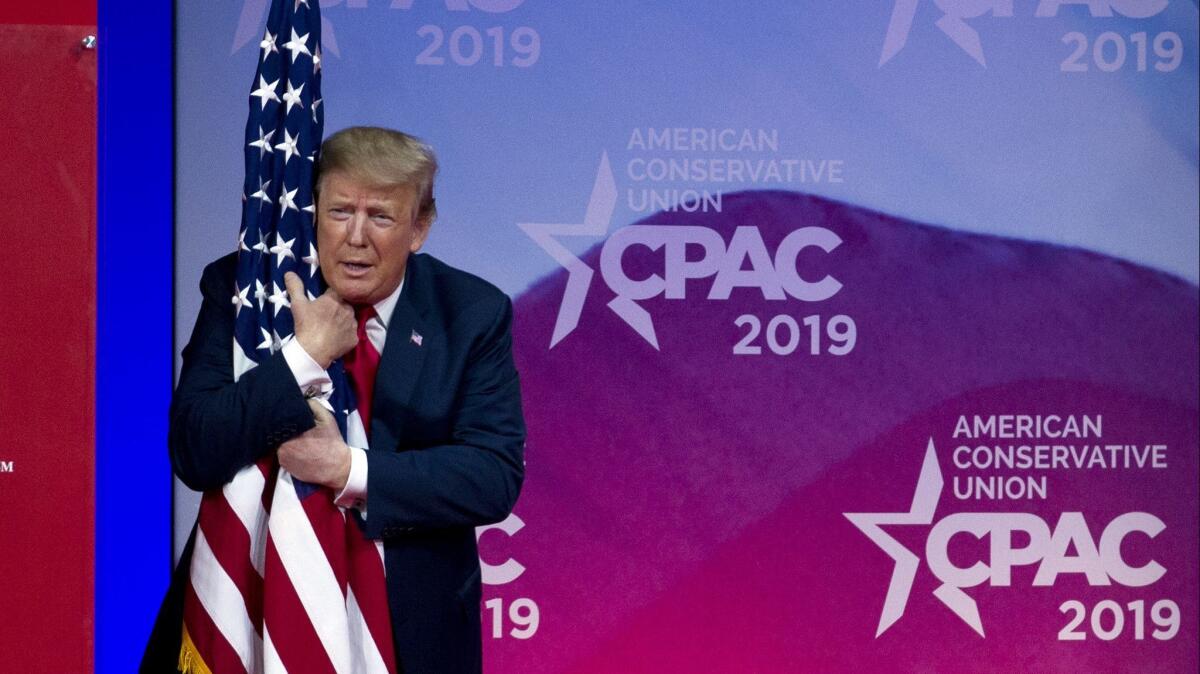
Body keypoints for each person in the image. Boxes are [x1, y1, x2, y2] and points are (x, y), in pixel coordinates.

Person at [142, 127, 526, 673]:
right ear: (311, 211)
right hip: (247, 614)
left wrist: (349, 470)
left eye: (382, 217)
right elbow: (195, 448)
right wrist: (302, 356)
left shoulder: (469, 313)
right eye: (340, 211)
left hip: (408, 625)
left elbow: (492, 474)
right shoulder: (245, 291)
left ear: (420, 228)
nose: (356, 237)